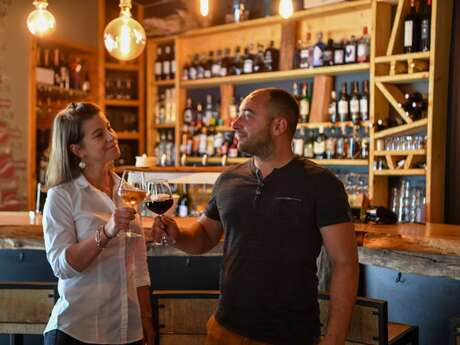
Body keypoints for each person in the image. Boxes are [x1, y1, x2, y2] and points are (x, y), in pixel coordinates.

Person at [152, 88, 359, 345]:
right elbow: (205, 236)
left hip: (289, 336)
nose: (235, 123)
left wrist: (335, 337)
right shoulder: (229, 179)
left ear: (279, 126)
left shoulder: (321, 184)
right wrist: (177, 235)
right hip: (223, 329)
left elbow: (345, 264)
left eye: (247, 115)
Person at [42, 102, 155, 345]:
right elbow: (61, 266)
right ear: (77, 149)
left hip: (127, 331)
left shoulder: (128, 192)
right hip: (77, 331)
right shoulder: (62, 195)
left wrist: (146, 318)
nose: (111, 136)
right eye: (98, 134)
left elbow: (139, 266)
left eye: (109, 128)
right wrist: (106, 232)